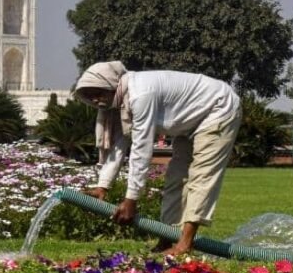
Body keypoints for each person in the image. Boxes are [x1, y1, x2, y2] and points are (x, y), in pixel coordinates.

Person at [74, 61, 242, 256]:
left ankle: (185, 244)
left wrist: (131, 200)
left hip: (218, 108)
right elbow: (119, 144)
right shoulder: (122, 100)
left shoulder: (140, 94)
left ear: (111, 85)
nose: (95, 100)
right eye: (90, 96)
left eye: (98, 93)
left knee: (201, 177)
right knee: (176, 178)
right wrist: (103, 186)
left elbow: (141, 149)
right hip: (190, 121)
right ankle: (167, 238)